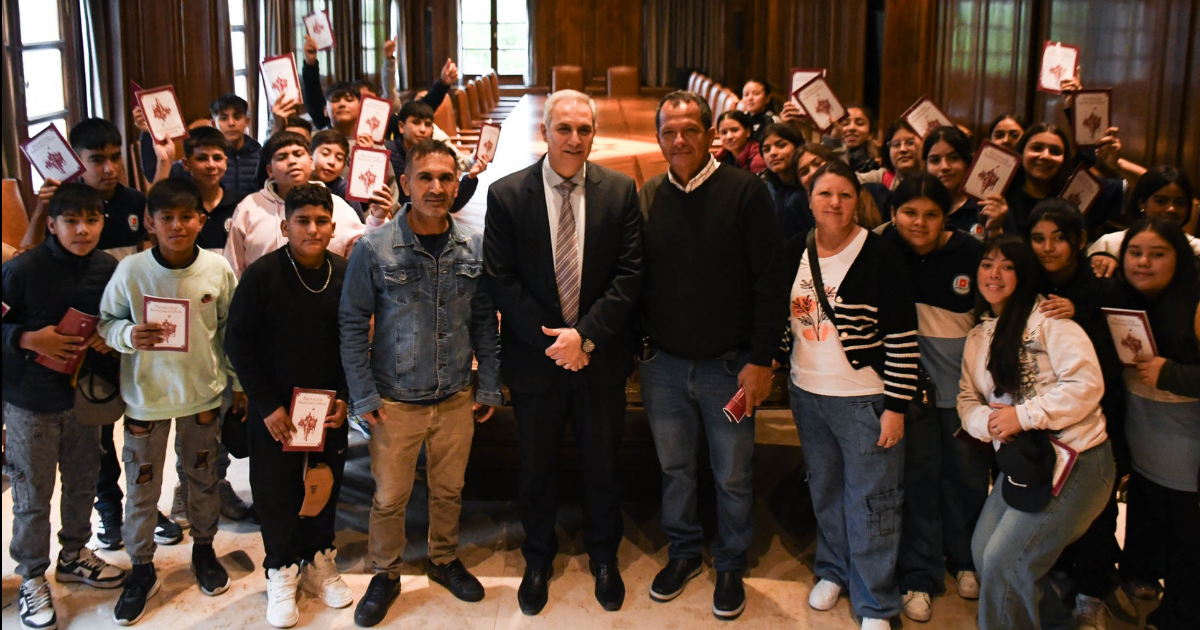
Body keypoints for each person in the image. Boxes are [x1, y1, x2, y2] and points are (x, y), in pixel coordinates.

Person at [483, 90, 642, 616]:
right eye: (564, 128)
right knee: (536, 467)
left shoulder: (620, 191)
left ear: (594, 134)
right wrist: (557, 341)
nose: (574, 139)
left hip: (598, 358)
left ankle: (603, 556)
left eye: (584, 130)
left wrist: (586, 337)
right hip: (537, 359)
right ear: (545, 131)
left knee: (602, 465)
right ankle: (537, 556)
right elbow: (501, 280)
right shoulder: (507, 195)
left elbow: (629, 275)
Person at [637, 90, 788, 620]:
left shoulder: (746, 193)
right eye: (669, 132)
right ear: (658, 138)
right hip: (665, 367)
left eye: (690, 130)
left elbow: (771, 284)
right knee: (675, 469)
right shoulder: (650, 194)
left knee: (731, 474)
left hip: (730, 366)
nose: (679, 140)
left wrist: (761, 358)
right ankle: (683, 553)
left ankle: (729, 561)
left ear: (711, 135)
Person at [342, 139, 503, 626]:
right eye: (425, 178)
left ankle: (443, 557)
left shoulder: (472, 246)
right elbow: (352, 324)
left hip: (456, 394)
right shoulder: (374, 248)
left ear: (458, 184)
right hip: (396, 400)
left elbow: (483, 321)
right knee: (389, 497)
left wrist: (490, 383)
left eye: (446, 178)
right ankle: (386, 572)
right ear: (405, 183)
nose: (436, 187)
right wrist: (363, 394)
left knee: (448, 489)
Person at [97, 178, 245, 625]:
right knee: (142, 487)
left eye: (187, 217)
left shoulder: (217, 270)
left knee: (201, 478)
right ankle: (141, 567)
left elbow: (229, 332)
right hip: (147, 398)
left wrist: (236, 384)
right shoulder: (131, 272)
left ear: (202, 220)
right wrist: (126, 334)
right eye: (167, 218)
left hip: (201, 393)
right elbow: (106, 323)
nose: (178, 226)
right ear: (150, 222)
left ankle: (203, 550)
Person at [782, 160, 918, 630]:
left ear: (857, 199)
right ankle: (833, 571)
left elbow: (902, 338)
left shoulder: (879, 255)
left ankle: (876, 600)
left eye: (844, 194)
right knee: (825, 490)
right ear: (810, 199)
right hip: (807, 393)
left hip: (864, 398)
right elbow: (789, 322)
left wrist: (896, 408)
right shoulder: (795, 251)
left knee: (873, 500)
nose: (835, 203)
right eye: (825, 194)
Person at [959, 235, 1114, 630]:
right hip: (1024, 463)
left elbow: (1086, 385)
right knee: (983, 552)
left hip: (1076, 459)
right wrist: (990, 423)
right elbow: (967, 398)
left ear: (1024, 275)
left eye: (1008, 266)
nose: (994, 274)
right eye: (987, 264)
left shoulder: (1049, 322)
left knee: (1006, 563)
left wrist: (1022, 416)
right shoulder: (979, 334)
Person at [224, 184, 353, 628]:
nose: (312, 229)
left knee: (325, 484)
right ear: (285, 226)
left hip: (327, 405)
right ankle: (281, 569)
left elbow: (353, 342)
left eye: (321, 221)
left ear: (332, 226)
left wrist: (345, 399)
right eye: (303, 221)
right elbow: (236, 342)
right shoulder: (262, 276)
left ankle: (319, 560)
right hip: (275, 409)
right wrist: (265, 404)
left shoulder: (343, 272)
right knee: (277, 491)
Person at [3, 184, 127, 630]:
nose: (82, 230)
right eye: (71, 221)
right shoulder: (22, 269)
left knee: (81, 481)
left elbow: (117, 320)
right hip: (29, 400)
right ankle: (32, 576)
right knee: (33, 494)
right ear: (51, 224)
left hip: (83, 398)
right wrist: (27, 338)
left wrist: (106, 337)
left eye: (91, 220)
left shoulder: (108, 268)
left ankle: (74, 554)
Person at [877, 174, 989, 623]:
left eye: (931, 214)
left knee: (965, 477)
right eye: (909, 212)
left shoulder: (971, 253)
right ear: (893, 213)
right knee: (919, 480)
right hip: (910, 391)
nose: (919, 223)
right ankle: (920, 575)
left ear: (946, 217)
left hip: (964, 392)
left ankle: (965, 559)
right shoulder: (882, 249)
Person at [1024, 200, 1126, 630]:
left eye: (1059, 238)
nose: (1048, 248)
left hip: (1099, 413)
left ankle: (1093, 592)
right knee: (1046, 498)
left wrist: (1080, 315)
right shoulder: (1027, 281)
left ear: (1080, 241)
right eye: (1038, 238)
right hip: (1042, 413)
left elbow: (1122, 350)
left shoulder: (1102, 286)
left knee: (1096, 507)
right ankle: (1057, 572)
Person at [1108, 219, 1200, 630]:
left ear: (1179, 258)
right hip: (1143, 437)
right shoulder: (1123, 298)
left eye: (1157, 254)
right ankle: (1141, 574)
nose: (1143, 262)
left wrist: (1173, 375)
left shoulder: (1194, 301)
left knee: (1187, 536)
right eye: (1135, 252)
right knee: (1150, 513)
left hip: (1187, 442)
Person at [224, 131, 371, 278]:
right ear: (269, 170)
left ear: (311, 162)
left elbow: (362, 259)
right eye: (282, 157)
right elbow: (233, 268)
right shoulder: (250, 207)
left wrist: (378, 220)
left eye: (298, 154)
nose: (292, 161)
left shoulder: (338, 206)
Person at [138, 94, 262, 197]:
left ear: (247, 121)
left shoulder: (260, 154)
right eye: (224, 118)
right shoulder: (200, 155)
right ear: (213, 123)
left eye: (237, 117)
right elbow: (155, 175)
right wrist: (149, 132)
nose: (231, 123)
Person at [1088, 166, 1199, 277]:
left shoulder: (1197, 249)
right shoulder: (1109, 244)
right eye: (1161, 201)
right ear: (1142, 204)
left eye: (1180, 203)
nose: (1171, 209)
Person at [384, 101, 489, 212]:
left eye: (428, 124)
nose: (423, 129)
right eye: (416, 123)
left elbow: (451, 205)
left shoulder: (436, 156)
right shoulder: (387, 154)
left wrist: (470, 177)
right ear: (401, 126)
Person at [923, 125, 1009, 239]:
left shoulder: (989, 206)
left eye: (954, 158)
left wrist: (995, 230)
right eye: (935, 160)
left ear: (969, 162)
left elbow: (1008, 254)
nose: (944, 167)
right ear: (925, 166)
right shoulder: (919, 205)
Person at [759, 123, 813, 241]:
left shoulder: (812, 180)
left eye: (781, 145)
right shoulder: (765, 188)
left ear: (798, 147)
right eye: (766, 150)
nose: (773, 153)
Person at [309, 130, 365, 220]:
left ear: (343, 166)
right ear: (310, 156)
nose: (332, 162)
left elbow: (359, 227)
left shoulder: (344, 190)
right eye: (325, 154)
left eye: (339, 158)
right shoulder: (297, 181)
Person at [823, 105, 880, 173]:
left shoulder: (873, 168)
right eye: (845, 123)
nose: (851, 128)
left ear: (870, 134)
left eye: (860, 124)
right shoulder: (822, 161)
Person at [714, 110, 767, 175]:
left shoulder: (758, 160)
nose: (729, 137)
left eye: (734, 130)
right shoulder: (720, 157)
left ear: (748, 132)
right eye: (724, 132)